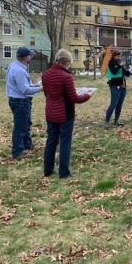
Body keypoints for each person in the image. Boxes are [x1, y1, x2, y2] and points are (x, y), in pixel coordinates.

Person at [42, 49, 92, 178]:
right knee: (65, 142)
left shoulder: (46, 74)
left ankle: (48, 170)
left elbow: (47, 94)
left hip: (50, 113)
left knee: (51, 141)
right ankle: (63, 172)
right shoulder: (67, 77)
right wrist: (87, 95)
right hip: (65, 114)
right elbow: (75, 98)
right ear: (68, 62)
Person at [5, 47, 42, 160]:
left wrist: (35, 85)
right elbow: (25, 90)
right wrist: (41, 88)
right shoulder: (19, 70)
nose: (31, 57)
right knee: (20, 126)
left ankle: (27, 144)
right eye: (30, 55)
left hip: (18, 100)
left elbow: (25, 85)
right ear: (26, 57)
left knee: (26, 123)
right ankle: (17, 151)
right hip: (20, 101)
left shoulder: (15, 66)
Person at [104, 49, 131, 128]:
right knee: (113, 104)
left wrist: (130, 71)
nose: (119, 57)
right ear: (114, 56)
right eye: (118, 56)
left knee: (119, 105)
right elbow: (113, 71)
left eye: (120, 56)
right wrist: (120, 66)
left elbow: (125, 74)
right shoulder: (111, 62)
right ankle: (107, 121)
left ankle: (116, 120)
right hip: (115, 87)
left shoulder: (119, 63)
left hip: (123, 87)